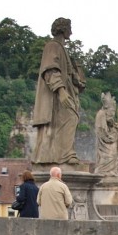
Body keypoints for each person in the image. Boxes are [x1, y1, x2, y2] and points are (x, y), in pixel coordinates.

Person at [32, 17, 85, 166]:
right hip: (55, 95)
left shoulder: (62, 49)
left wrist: (78, 79)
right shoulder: (52, 46)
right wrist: (61, 91)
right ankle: (65, 155)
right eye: (69, 28)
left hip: (65, 92)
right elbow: (50, 70)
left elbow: (71, 76)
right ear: (63, 29)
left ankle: (62, 155)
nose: (71, 32)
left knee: (71, 118)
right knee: (70, 117)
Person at [94, 92, 118, 176]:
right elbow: (102, 131)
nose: (113, 114)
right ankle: (105, 171)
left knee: (113, 155)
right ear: (107, 108)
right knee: (110, 156)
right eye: (112, 111)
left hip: (107, 140)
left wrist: (113, 127)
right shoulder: (101, 114)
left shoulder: (106, 116)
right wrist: (112, 135)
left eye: (114, 111)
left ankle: (111, 171)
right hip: (104, 143)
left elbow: (109, 128)